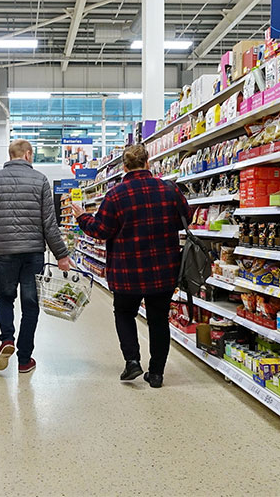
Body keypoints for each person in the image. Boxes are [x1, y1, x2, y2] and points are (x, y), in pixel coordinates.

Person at [72, 144, 189, 388]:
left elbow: (101, 230)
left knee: (124, 313)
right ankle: (156, 373)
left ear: (124, 167)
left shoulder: (115, 194)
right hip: (163, 269)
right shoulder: (169, 189)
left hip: (127, 271)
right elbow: (186, 218)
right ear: (148, 163)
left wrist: (82, 217)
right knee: (159, 320)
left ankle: (132, 361)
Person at [0, 139, 72, 374]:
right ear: (27, 155)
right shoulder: (40, 180)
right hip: (33, 252)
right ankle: (25, 359)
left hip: (4, 251)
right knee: (30, 304)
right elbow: (49, 223)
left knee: (4, 297)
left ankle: (7, 339)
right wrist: (61, 255)